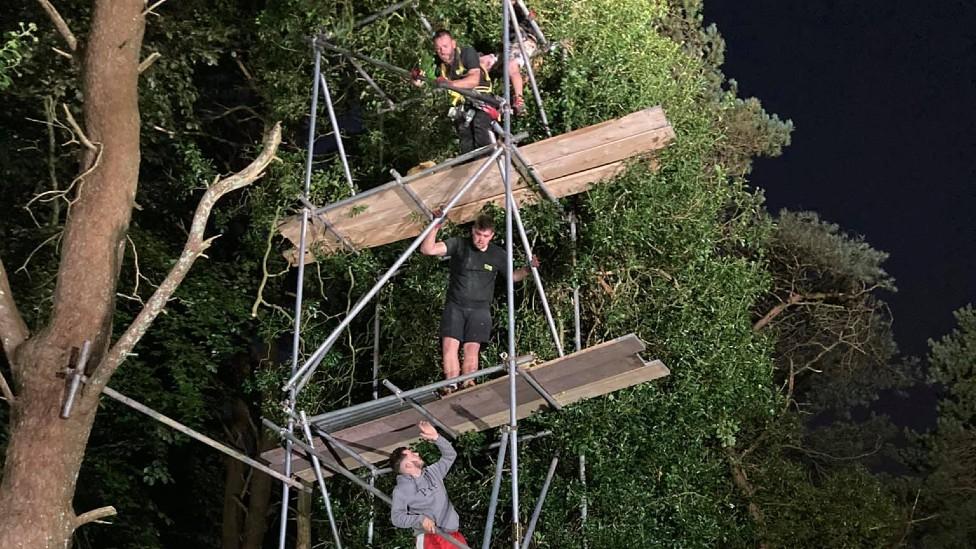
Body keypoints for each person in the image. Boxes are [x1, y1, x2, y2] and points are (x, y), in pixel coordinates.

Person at [420, 213, 538, 394]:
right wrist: (435, 226)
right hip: (456, 306)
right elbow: (427, 249)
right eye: (477, 234)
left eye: (485, 236)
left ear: (492, 236)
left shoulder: (498, 254)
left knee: (472, 348)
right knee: (450, 346)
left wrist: (529, 269)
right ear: (472, 231)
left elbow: (513, 277)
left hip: (480, 309)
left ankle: (468, 384)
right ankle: (451, 384)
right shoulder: (459, 244)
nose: (480, 239)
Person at [390, 421, 468, 549]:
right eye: (412, 454)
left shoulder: (433, 472)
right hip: (429, 537)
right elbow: (397, 518)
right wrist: (420, 519)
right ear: (408, 465)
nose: (417, 454)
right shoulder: (401, 490)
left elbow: (450, 455)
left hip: (453, 534)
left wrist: (437, 438)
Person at [420, 29, 496, 153]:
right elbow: (425, 78)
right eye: (438, 48)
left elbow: (473, 80)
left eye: (445, 46)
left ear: (454, 44)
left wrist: (450, 84)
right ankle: (471, 164)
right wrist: (418, 79)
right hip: (463, 104)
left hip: (482, 98)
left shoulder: (466, 53)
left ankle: (489, 162)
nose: (442, 51)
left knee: (480, 127)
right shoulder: (439, 64)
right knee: (465, 137)